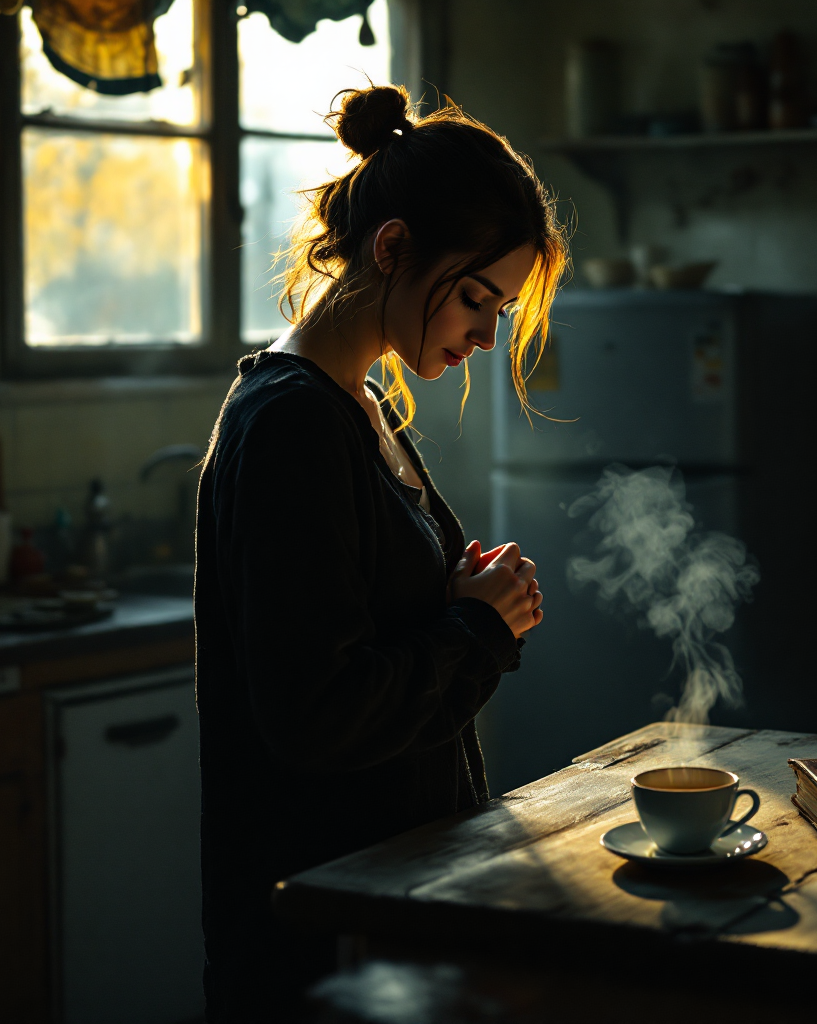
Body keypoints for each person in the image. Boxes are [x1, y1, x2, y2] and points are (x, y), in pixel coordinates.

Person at [194, 84, 568, 1022]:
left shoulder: (365, 407)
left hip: (392, 904)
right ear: (393, 247)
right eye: (478, 298)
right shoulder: (291, 423)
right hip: (320, 940)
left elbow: (370, 622)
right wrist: (477, 627)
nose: (485, 335)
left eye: (501, 309)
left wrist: (458, 601)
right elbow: (321, 716)